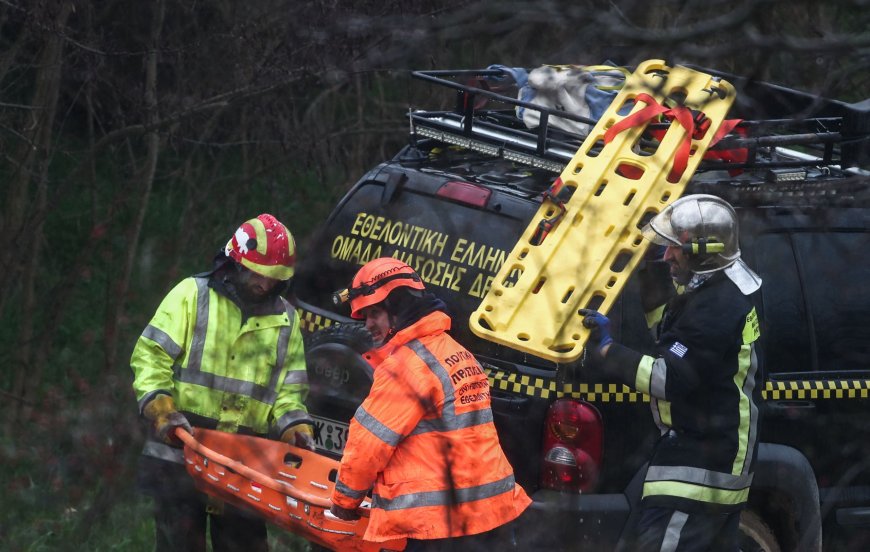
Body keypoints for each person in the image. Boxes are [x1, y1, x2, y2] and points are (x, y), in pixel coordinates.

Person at [581, 194, 763, 552]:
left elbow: (669, 377)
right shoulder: (715, 290)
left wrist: (607, 350)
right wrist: (648, 280)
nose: (667, 256)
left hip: (700, 467)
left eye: (674, 250)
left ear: (702, 253)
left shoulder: (718, 307)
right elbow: (677, 340)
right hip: (710, 458)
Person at [130, 213, 314, 552]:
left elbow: (289, 393)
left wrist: (295, 427)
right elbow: (150, 356)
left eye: (274, 278)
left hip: (245, 466)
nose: (265, 284)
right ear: (237, 261)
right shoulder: (192, 295)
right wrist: (161, 410)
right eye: (259, 274)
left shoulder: (287, 320)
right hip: (181, 451)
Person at [327, 257, 531, 550]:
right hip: (491, 517)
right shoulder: (458, 354)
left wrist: (343, 504)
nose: (368, 325)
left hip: (438, 527)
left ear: (398, 309)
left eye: (374, 314)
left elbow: (368, 446)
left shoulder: (406, 368)